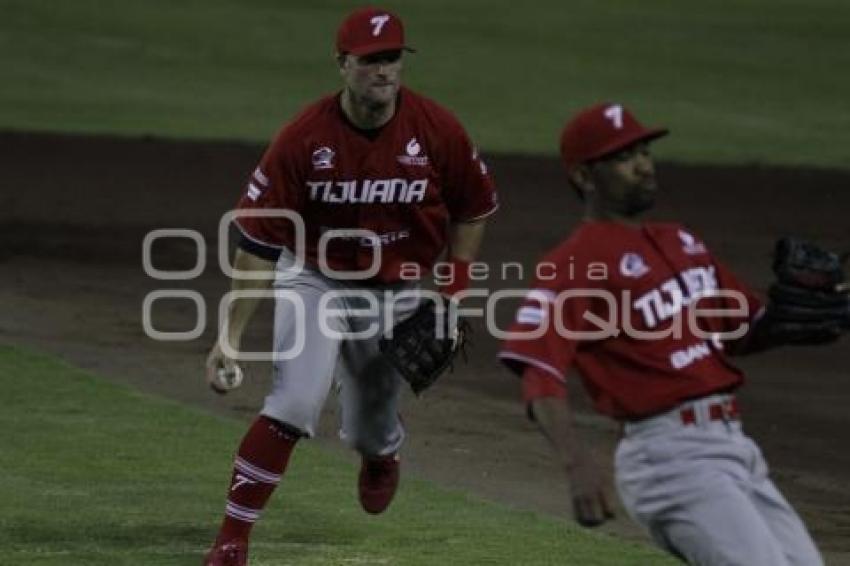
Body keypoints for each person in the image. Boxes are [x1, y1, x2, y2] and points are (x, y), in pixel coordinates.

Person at [202, 7, 497, 565]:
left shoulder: (437, 129)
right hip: (315, 276)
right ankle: (231, 540)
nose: (383, 72)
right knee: (292, 402)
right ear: (342, 63)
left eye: (391, 59)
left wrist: (455, 288)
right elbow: (260, 243)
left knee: (369, 426)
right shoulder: (302, 138)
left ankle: (382, 454)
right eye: (369, 61)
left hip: (397, 286)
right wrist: (230, 337)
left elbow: (474, 207)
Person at [498, 103, 829, 565]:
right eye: (622, 157)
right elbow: (538, 370)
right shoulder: (574, 263)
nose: (643, 165)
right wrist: (576, 462)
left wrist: (812, 314)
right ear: (584, 177)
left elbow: (742, 330)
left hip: (735, 449)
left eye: (644, 151)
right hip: (672, 459)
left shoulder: (680, 241)